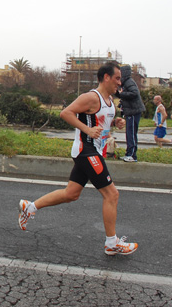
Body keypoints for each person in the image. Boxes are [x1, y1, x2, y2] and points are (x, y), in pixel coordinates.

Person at [18, 62, 138, 256]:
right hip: (86, 151)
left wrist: (116, 122)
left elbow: (101, 122)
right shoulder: (91, 97)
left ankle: (30, 207)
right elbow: (65, 113)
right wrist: (87, 130)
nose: (120, 82)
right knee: (112, 195)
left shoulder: (109, 101)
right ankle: (111, 243)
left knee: (71, 194)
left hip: (94, 152)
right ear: (106, 77)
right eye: (116, 78)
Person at [115, 65, 145, 162]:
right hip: (131, 111)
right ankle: (129, 153)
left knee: (131, 133)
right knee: (129, 133)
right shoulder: (126, 83)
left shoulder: (129, 82)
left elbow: (134, 93)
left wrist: (121, 94)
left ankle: (132, 155)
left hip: (133, 111)